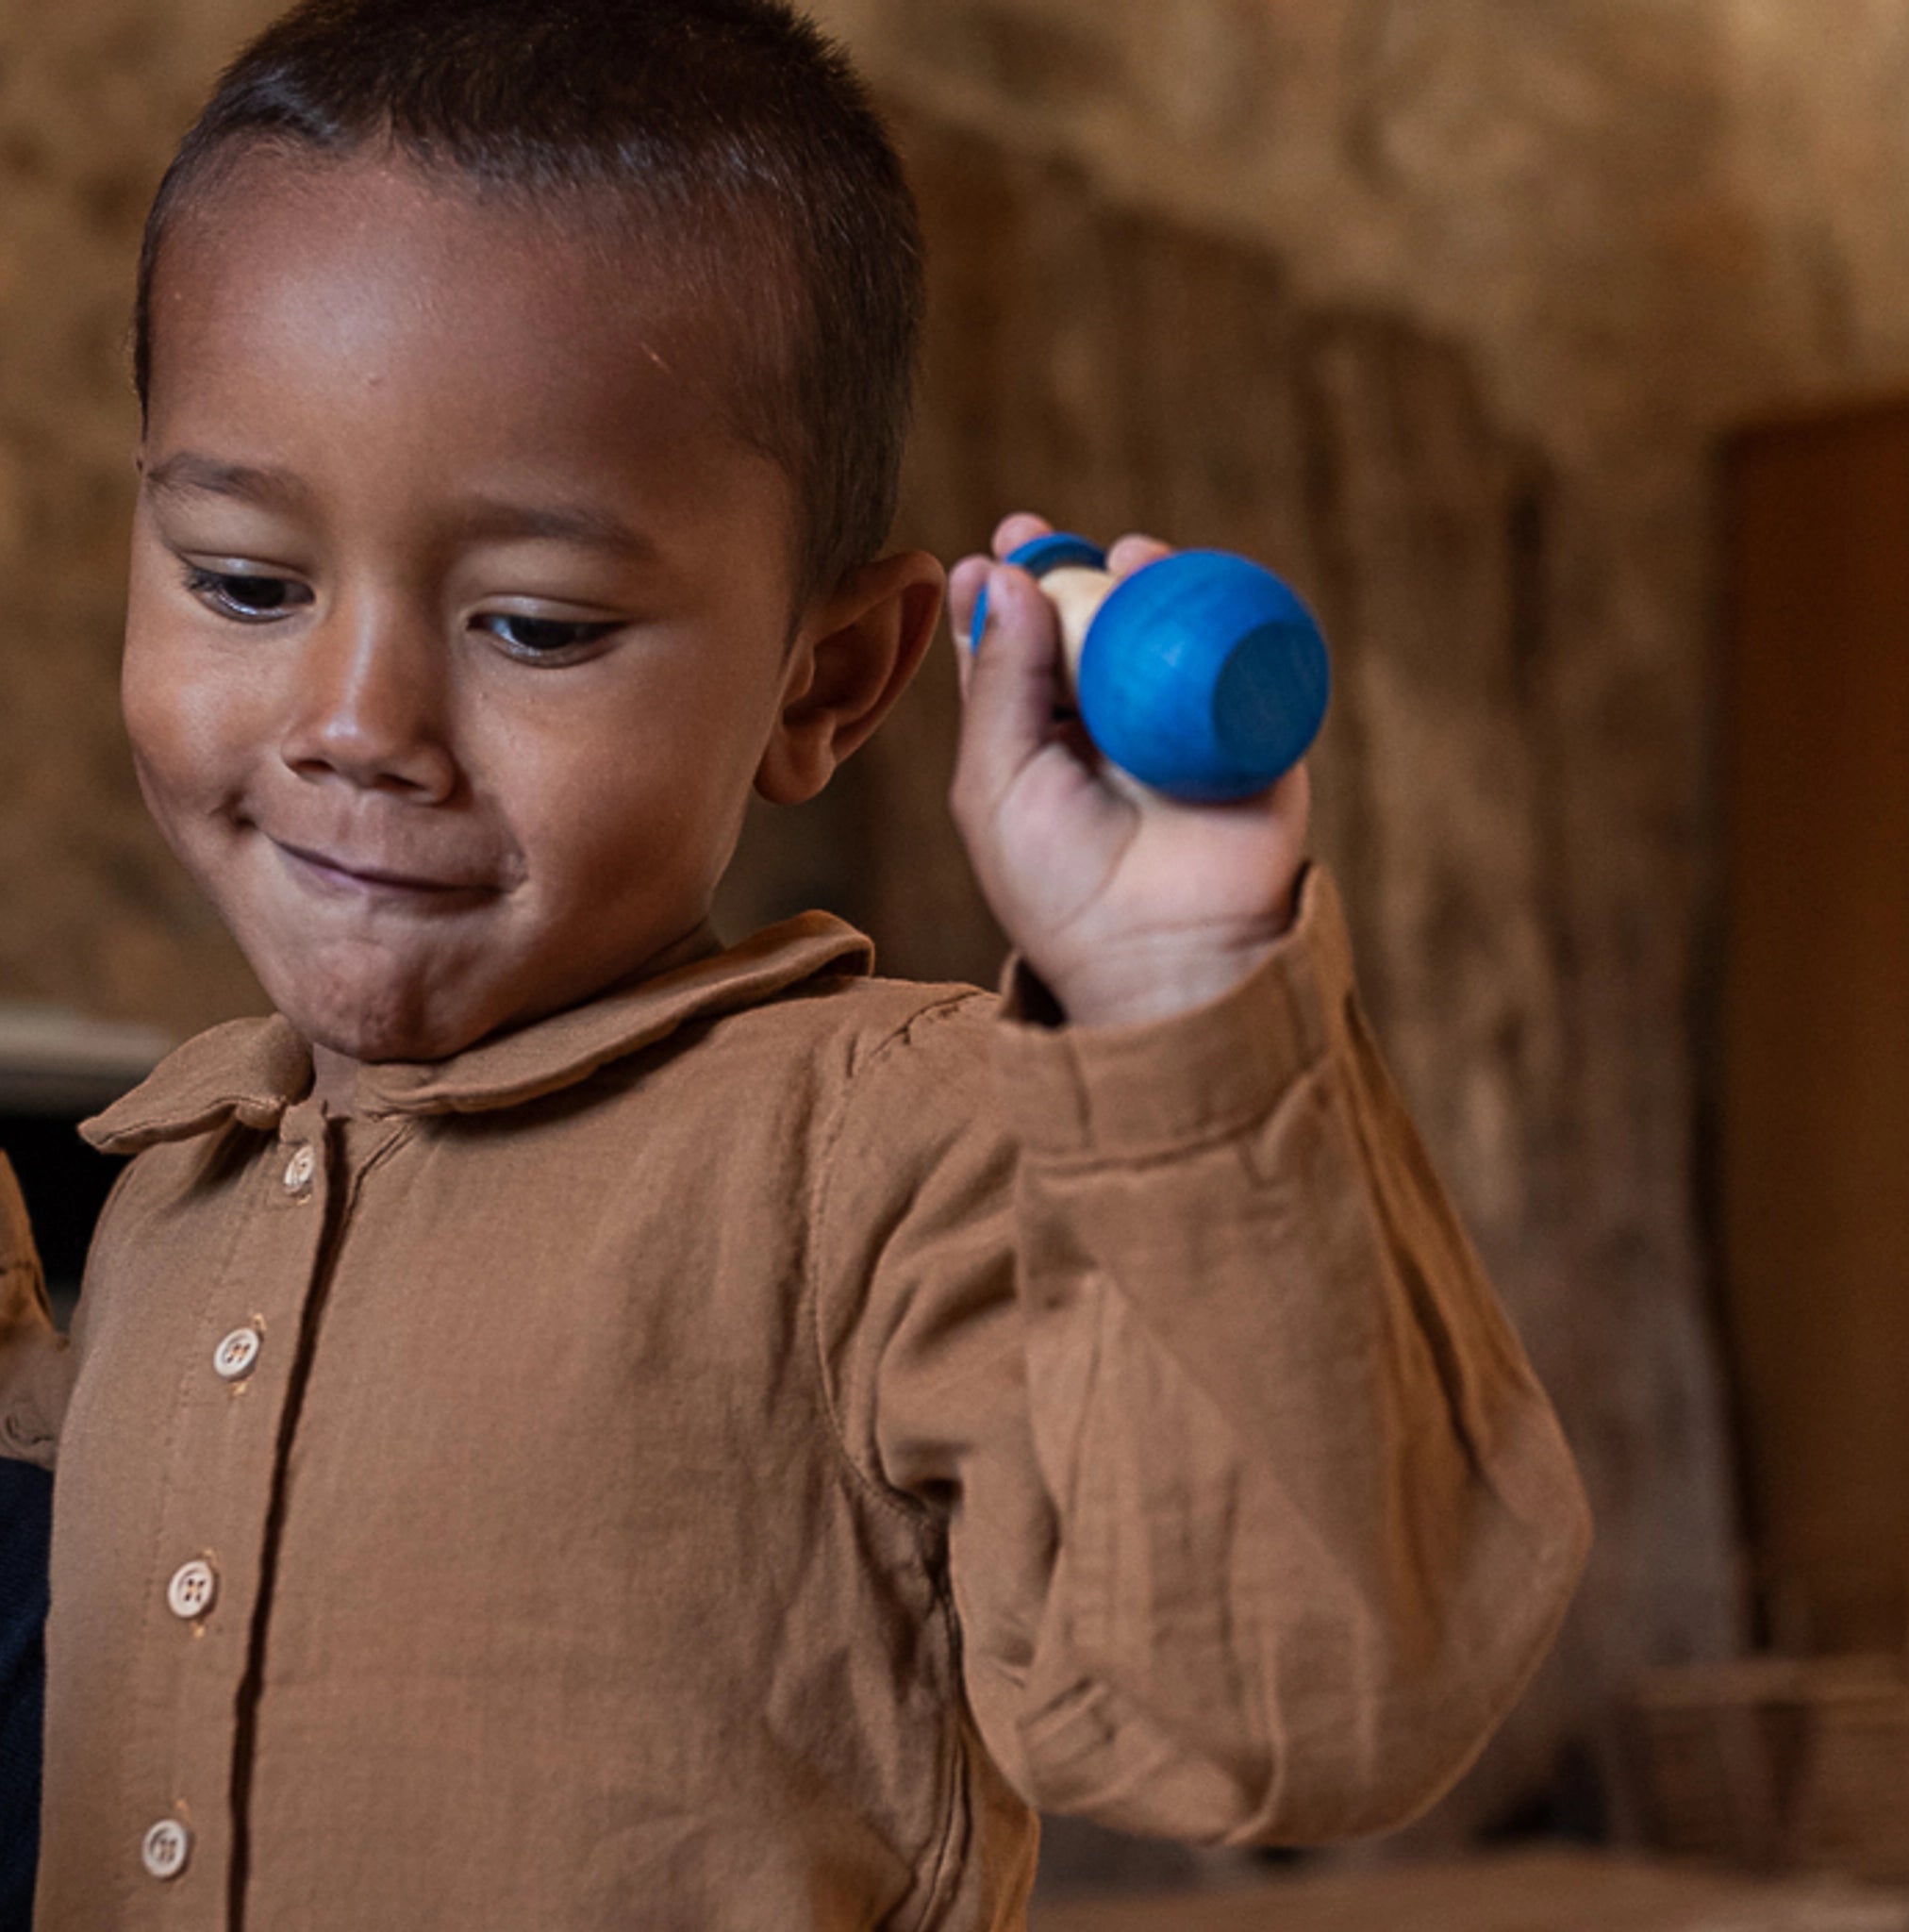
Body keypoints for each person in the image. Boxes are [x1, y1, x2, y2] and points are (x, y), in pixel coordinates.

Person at [0, 0, 1591, 1924]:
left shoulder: (881, 1159)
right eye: (248, 584)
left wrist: (1182, 1011)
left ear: (827, 677)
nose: (356, 721)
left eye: (534, 623)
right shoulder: (172, 1188)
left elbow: (1309, 1697)